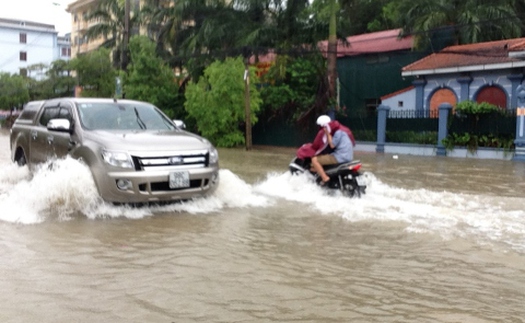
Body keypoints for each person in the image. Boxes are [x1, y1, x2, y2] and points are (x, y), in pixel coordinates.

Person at [310, 115, 354, 185]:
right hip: (348, 157)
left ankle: (325, 177)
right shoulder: (343, 130)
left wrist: (328, 134)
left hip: (340, 157)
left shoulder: (337, 132)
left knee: (314, 160)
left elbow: (332, 145)